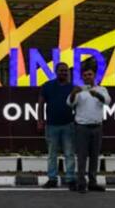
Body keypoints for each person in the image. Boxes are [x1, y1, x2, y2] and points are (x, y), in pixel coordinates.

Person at [67, 64, 111, 193]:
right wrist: (73, 93)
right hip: (82, 127)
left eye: (90, 74)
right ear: (82, 77)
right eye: (85, 75)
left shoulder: (101, 89)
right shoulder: (79, 91)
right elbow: (69, 103)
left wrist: (96, 95)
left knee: (94, 157)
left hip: (97, 127)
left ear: (94, 75)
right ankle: (81, 183)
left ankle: (93, 183)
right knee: (82, 157)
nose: (87, 77)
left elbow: (107, 101)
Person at [37, 62, 76, 190]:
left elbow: (77, 106)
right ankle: (52, 179)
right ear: (56, 72)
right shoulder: (47, 86)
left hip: (68, 124)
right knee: (52, 154)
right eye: (61, 70)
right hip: (51, 125)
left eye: (65, 71)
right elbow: (41, 104)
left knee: (69, 154)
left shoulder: (72, 88)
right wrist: (40, 120)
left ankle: (70, 179)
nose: (64, 73)